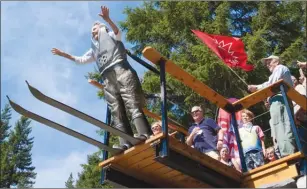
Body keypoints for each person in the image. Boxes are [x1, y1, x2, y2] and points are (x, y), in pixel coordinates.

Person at [51, 6, 151, 150]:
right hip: (107, 79)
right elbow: (80, 60)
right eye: (92, 28)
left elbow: (118, 32)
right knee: (116, 111)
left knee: (132, 103)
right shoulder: (93, 49)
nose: (94, 28)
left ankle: (144, 133)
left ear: (102, 27)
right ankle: (125, 142)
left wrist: (107, 19)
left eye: (96, 26)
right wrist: (63, 54)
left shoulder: (110, 34)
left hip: (121, 70)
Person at [248, 55, 296, 157]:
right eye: (266, 63)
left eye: (269, 61)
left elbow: (272, 83)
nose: (267, 64)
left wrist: (256, 87)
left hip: (281, 101)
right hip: (278, 101)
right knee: (279, 129)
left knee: (283, 127)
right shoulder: (277, 71)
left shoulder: (280, 68)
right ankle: (286, 154)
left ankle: (288, 155)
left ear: (277, 61)